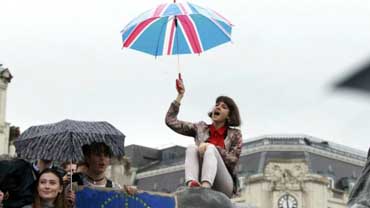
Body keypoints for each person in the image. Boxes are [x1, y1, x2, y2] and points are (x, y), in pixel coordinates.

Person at [165, 75, 243, 198]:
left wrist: (212, 147)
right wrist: (180, 96)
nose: (217, 107)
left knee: (210, 149)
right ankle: (192, 184)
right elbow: (170, 121)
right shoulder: (200, 128)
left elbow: (233, 160)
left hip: (224, 184)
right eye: (217, 105)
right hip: (200, 175)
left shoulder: (235, 134)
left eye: (223, 107)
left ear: (229, 116)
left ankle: (205, 187)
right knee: (192, 147)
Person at [65, 142, 137, 207]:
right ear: (88, 158)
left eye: (106, 155)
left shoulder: (116, 188)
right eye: (97, 154)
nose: (102, 158)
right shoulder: (73, 188)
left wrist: (133, 196)